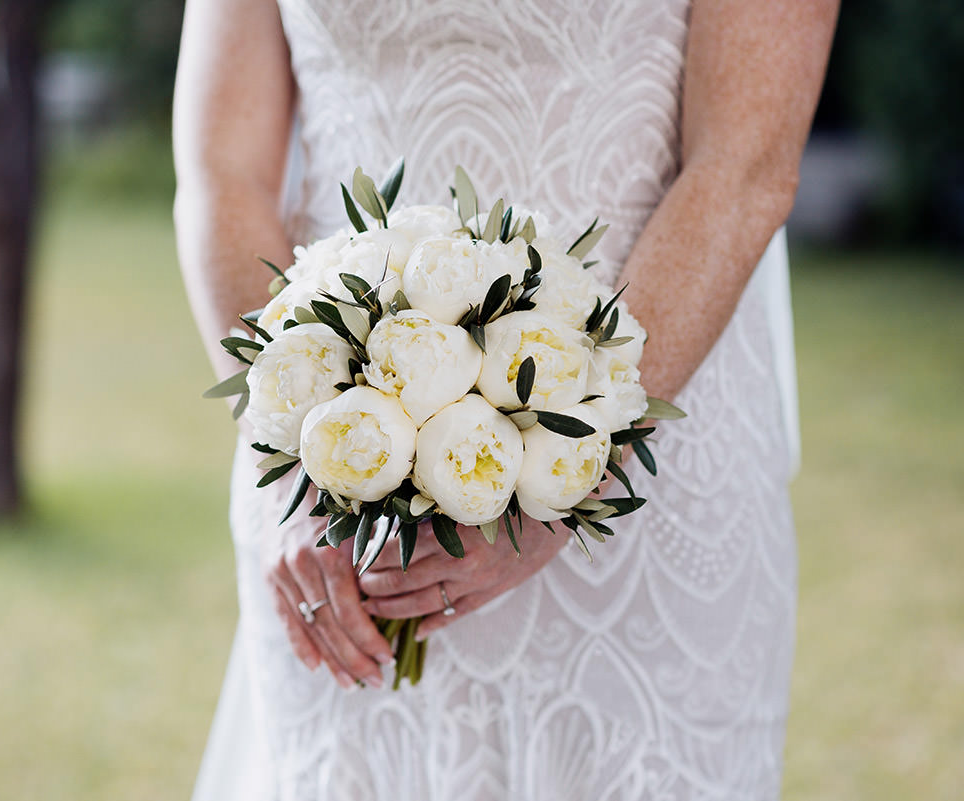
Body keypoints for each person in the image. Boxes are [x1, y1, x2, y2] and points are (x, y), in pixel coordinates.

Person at [174, 1, 838, 798]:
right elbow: (223, 171)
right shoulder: (316, 489)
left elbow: (744, 164)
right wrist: (302, 468)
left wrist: (574, 467)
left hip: (645, 472)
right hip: (341, 518)